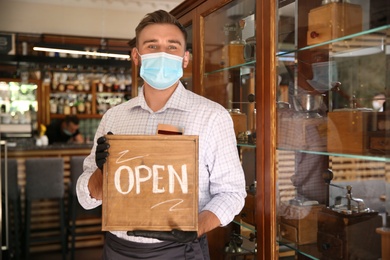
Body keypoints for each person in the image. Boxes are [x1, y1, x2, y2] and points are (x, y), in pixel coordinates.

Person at [76, 9, 246, 260]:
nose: (162, 54)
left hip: (182, 250)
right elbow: (87, 199)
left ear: (185, 58)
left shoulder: (212, 116)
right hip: (118, 250)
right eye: (152, 46)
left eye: (172, 47)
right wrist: (103, 171)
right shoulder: (114, 118)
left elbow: (232, 194)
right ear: (137, 56)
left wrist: (195, 227)